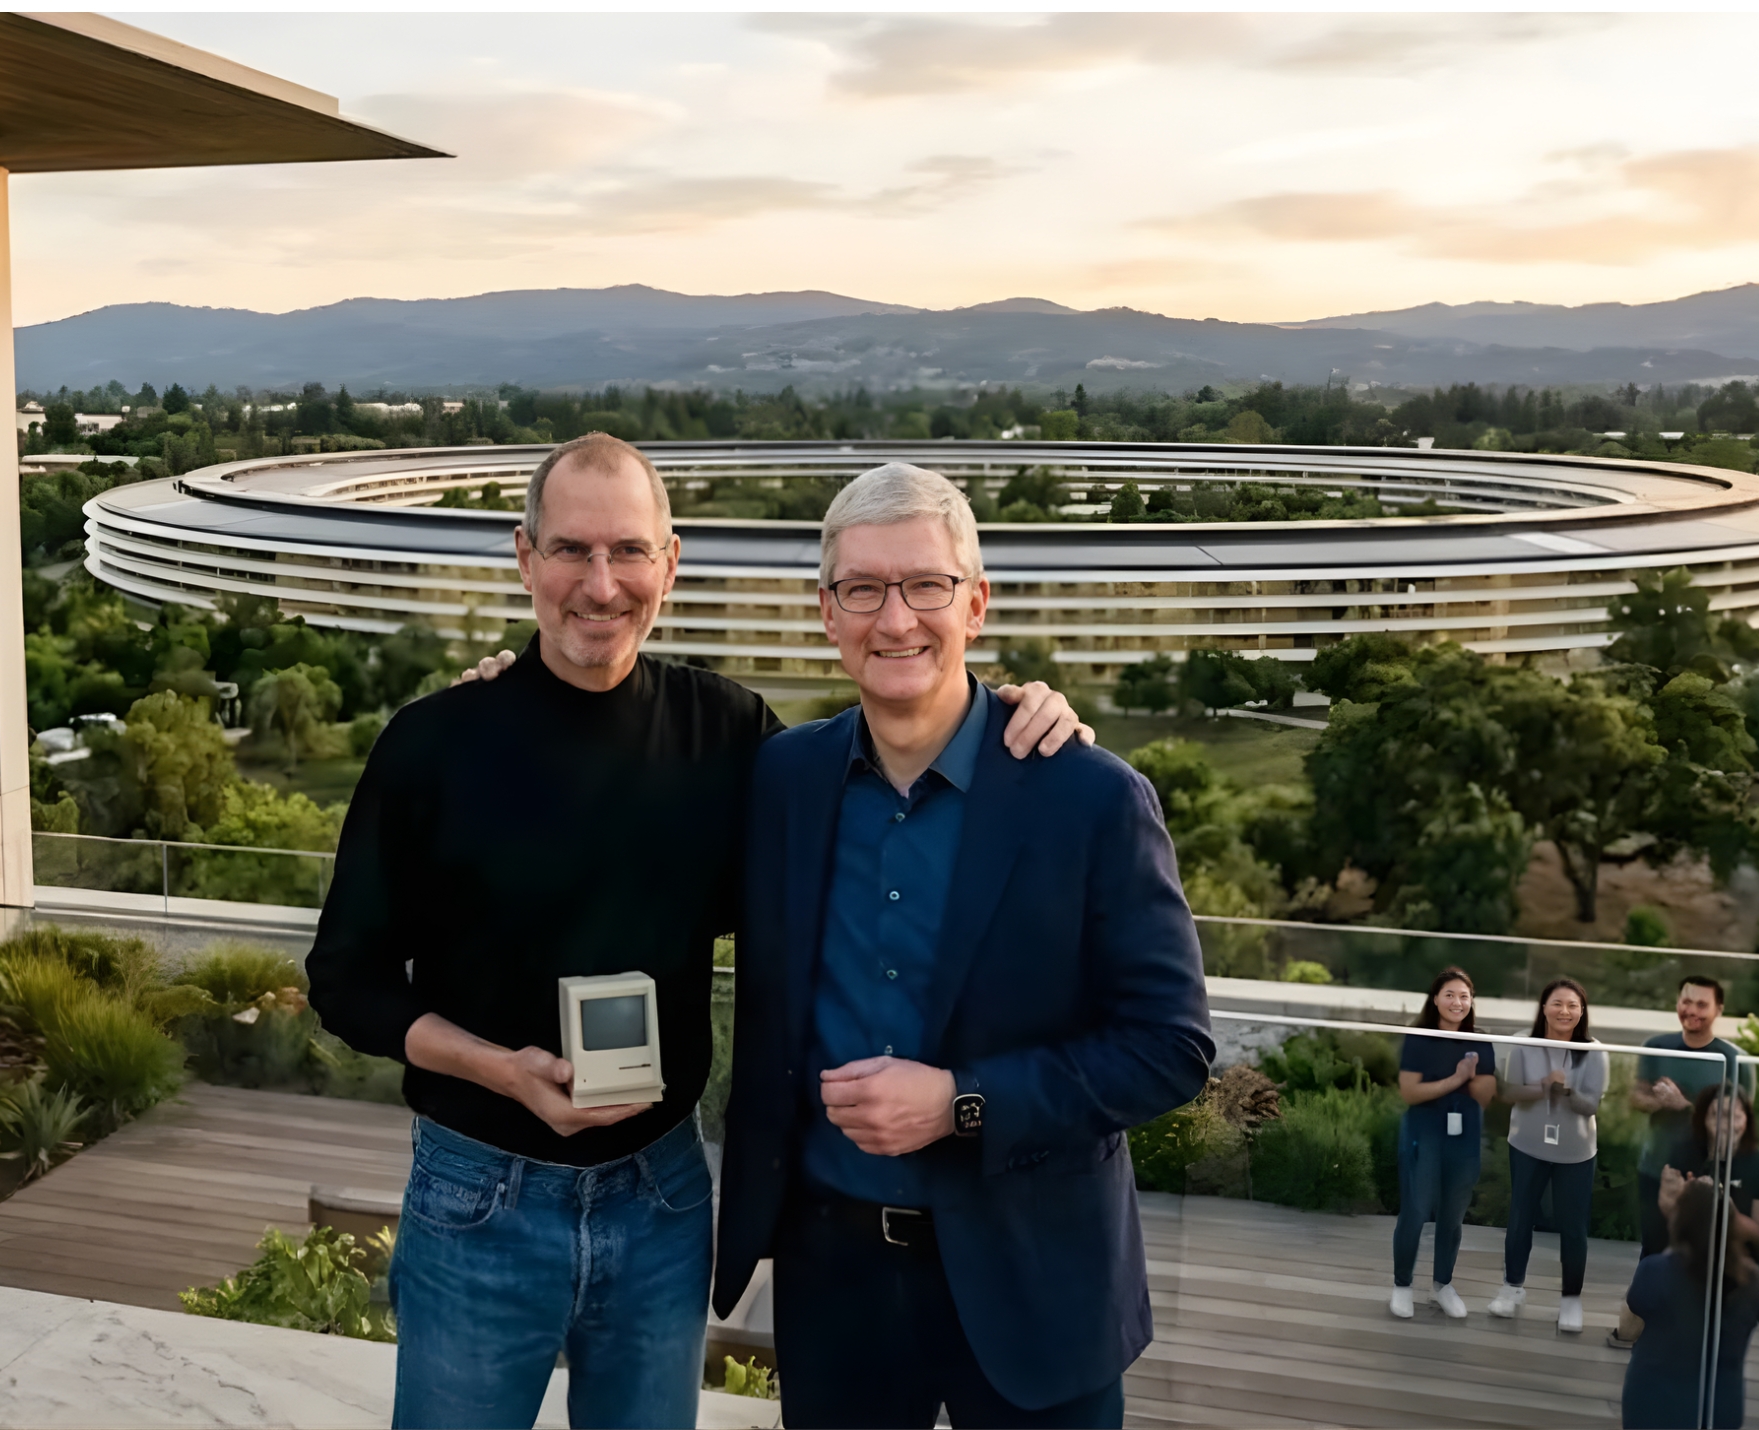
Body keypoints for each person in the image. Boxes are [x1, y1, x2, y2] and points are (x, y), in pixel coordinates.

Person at [303, 435, 1087, 1430]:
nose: (601, 584)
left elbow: (878, 792)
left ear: (668, 563)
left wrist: (1015, 710)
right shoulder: (433, 743)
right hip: (478, 1197)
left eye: (629, 551)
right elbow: (347, 979)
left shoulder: (733, 735)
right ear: (525, 557)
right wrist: (499, 1070)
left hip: (661, 1198)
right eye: (571, 550)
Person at [714, 463, 1213, 1429]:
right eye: (864, 589)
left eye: (926, 585)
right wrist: (506, 689)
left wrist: (961, 1102)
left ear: (975, 604)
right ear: (828, 613)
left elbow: (1171, 1047)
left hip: (1038, 1281)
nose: (896, 618)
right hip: (836, 1282)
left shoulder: (1091, 798)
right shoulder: (782, 781)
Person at [1493, 977, 1606, 1332]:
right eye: (1557, 1003)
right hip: (1527, 1145)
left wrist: (1568, 1090)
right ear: (1543, 1007)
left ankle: (1571, 1299)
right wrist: (1544, 1086)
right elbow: (1509, 1093)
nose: (1564, 1011)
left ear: (1582, 1012)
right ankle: (1512, 1287)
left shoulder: (1594, 1051)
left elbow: (1590, 1106)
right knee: (1520, 1217)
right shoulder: (1523, 1043)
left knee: (1573, 1227)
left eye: (1573, 1005)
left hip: (1576, 1152)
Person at [1391, 968, 1498, 1321]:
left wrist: (1473, 1078)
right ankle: (1402, 1285)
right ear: (1435, 999)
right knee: (1417, 1209)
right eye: (1449, 995)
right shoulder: (1419, 1038)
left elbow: (1486, 1095)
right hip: (1424, 1133)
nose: (1457, 1002)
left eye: (1464, 996)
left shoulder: (1480, 1041)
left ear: (1472, 1002)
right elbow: (1410, 1092)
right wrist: (1457, 1078)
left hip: (1464, 1136)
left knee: (1453, 1215)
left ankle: (1442, 1284)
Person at [1620, 1178, 1759, 1429]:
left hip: (1657, 1401)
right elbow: (1758, 1312)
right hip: (1720, 1404)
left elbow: (1633, 1313)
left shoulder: (1656, 1271)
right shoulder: (1752, 1281)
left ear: (1681, 1222)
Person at [1630, 978, 1756, 1257]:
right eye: (1686, 1002)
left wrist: (1685, 1106)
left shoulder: (1734, 1060)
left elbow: (1737, 1123)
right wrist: (1658, 1101)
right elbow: (1636, 1097)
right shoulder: (1655, 1046)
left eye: (1702, 1004)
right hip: (1657, 1167)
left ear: (1718, 1009)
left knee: (1701, 1255)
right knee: (1653, 1248)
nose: (1692, 1011)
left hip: (1709, 1175)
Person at [1660, 1087, 1759, 1253]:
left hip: (1737, 1258)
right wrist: (1681, 1198)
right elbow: (1668, 1213)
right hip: (1689, 1254)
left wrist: (1724, 1207)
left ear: (1746, 1120)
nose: (1726, 1125)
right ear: (1703, 1118)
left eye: (1735, 1116)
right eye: (1716, 1116)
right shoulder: (1684, 1154)